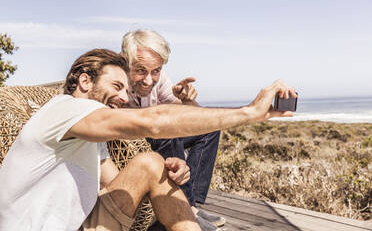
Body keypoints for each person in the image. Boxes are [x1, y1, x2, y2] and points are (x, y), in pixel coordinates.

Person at [0, 48, 296, 231]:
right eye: (116, 86)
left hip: (81, 224)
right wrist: (249, 112)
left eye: (126, 91)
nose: (122, 97)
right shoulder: (66, 108)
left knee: (151, 163)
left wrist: (166, 174)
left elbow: (113, 183)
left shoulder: (89, 133)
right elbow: (152, 121)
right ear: (85, 81)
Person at [120, 29, 220, 228]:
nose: (149, 80)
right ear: (125, 61)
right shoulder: (116, 79)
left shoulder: (159, 77)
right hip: (128, 143)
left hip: (154, 136)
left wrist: (186, 101)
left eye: (155, 71)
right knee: (167, 129)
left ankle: (195, 204)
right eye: (140, 70)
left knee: (209, 131)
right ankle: (188, 209)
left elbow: (192, 118)